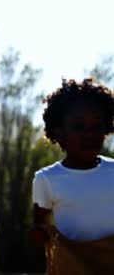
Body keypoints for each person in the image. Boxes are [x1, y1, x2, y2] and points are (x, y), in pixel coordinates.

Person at [31, 78, 114, 274]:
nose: (89, 134)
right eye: (79, 127)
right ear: (59, 134)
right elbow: (39, 225)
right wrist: (40, 234)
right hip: (72, 265)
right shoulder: (46, 179)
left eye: (96, 127)